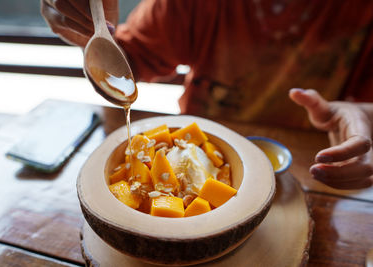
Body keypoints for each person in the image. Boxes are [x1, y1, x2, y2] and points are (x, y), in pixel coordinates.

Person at [40, 0, 373, 189]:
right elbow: (129, 61)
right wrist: (86, 27)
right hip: (199, 143)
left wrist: (365, 115)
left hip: (307, 171)